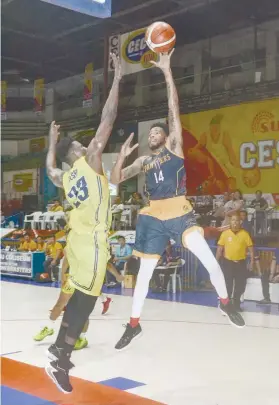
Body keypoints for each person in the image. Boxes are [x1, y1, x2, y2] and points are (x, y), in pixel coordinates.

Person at [111, 50, 245, 351]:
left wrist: (168, 71)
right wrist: (120, 158)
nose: (155, 134)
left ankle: (225, 303)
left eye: (160, 131)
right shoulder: (144, 161)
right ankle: (134, 324)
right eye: (153, 133)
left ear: (167, 137)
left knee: (209, 259)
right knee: (144, 274)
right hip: (153, 216)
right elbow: (116, 179)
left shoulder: (176, 150)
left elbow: (174, 108)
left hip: (179, 210)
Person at [44, 52, 121, 393]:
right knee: (86, 301)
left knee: (80, 296)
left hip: (77, 241)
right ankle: (60, 356)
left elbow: (49, 168)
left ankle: (58, 348)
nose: (86, 142)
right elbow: (109, 117)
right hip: (90, 242)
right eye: (79, 142)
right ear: (76, 149)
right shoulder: (89, 161)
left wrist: (50, 143)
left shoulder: (66, 174)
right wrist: (118, 78)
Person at [216, 214, 254, 311]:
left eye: (237, 220)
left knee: (240, 285)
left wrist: (252, 262)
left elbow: (251, 250)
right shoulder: (225, 234)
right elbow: (220, 249)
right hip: (228, 263)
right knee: (227, 285)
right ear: (230, 222)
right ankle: (225, 305)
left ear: (240, 222)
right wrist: (216, 262)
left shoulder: (245, 234)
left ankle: (236, 304)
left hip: (241, 263)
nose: (235, 222)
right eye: (233, 220)